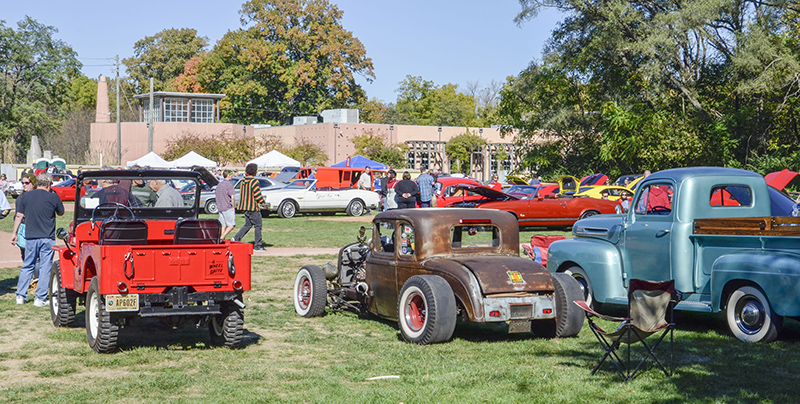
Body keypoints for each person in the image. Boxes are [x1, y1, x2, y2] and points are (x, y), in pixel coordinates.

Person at [12, 172, 64, 306]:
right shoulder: (53, 197)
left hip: (30, 236)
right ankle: (40, 298)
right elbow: (61, 212)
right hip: (47, 237)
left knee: (27, 265)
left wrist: (14, 233)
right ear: (48, 184)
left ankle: (20, 295)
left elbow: (18, 216)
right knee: (45, 267)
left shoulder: (26, 196)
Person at [232, 163, 266, 251]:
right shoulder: (254, 181)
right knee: (258, 225)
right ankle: (258, 245)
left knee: (247, 225)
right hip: (253, 207)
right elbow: (257, 195)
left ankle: (236, 238)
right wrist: (262, 202)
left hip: (245, 207)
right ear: (254, 171)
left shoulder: (243, 181)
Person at [215, 170, 237, 240]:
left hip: (220, 207)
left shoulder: (219, 184)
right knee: (231, 225)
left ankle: (221, 240)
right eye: (231, 175)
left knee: (223, 225)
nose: (232, 177)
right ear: (228, 176)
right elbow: (232, 197)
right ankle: (222, 237)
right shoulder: (229, 185)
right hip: (227, 207)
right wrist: (233, 207)